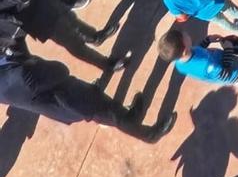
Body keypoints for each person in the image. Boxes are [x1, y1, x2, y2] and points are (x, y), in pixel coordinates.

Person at [0, 40, 174, 141]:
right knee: (110, 114)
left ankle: (130, 115)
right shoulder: (19, 76)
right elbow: (60, 70)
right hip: (70, 100)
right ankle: (149, 135)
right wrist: (30, 62)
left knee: (107, 105)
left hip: (61, 97)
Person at [157, 29, 238, 96]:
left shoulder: (180, 62)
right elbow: (225, 71)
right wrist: (228, 48)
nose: (186, 33)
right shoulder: (207, 65)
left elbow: (199, 50)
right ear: (184, 49)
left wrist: (207, 40)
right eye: (184, 35)